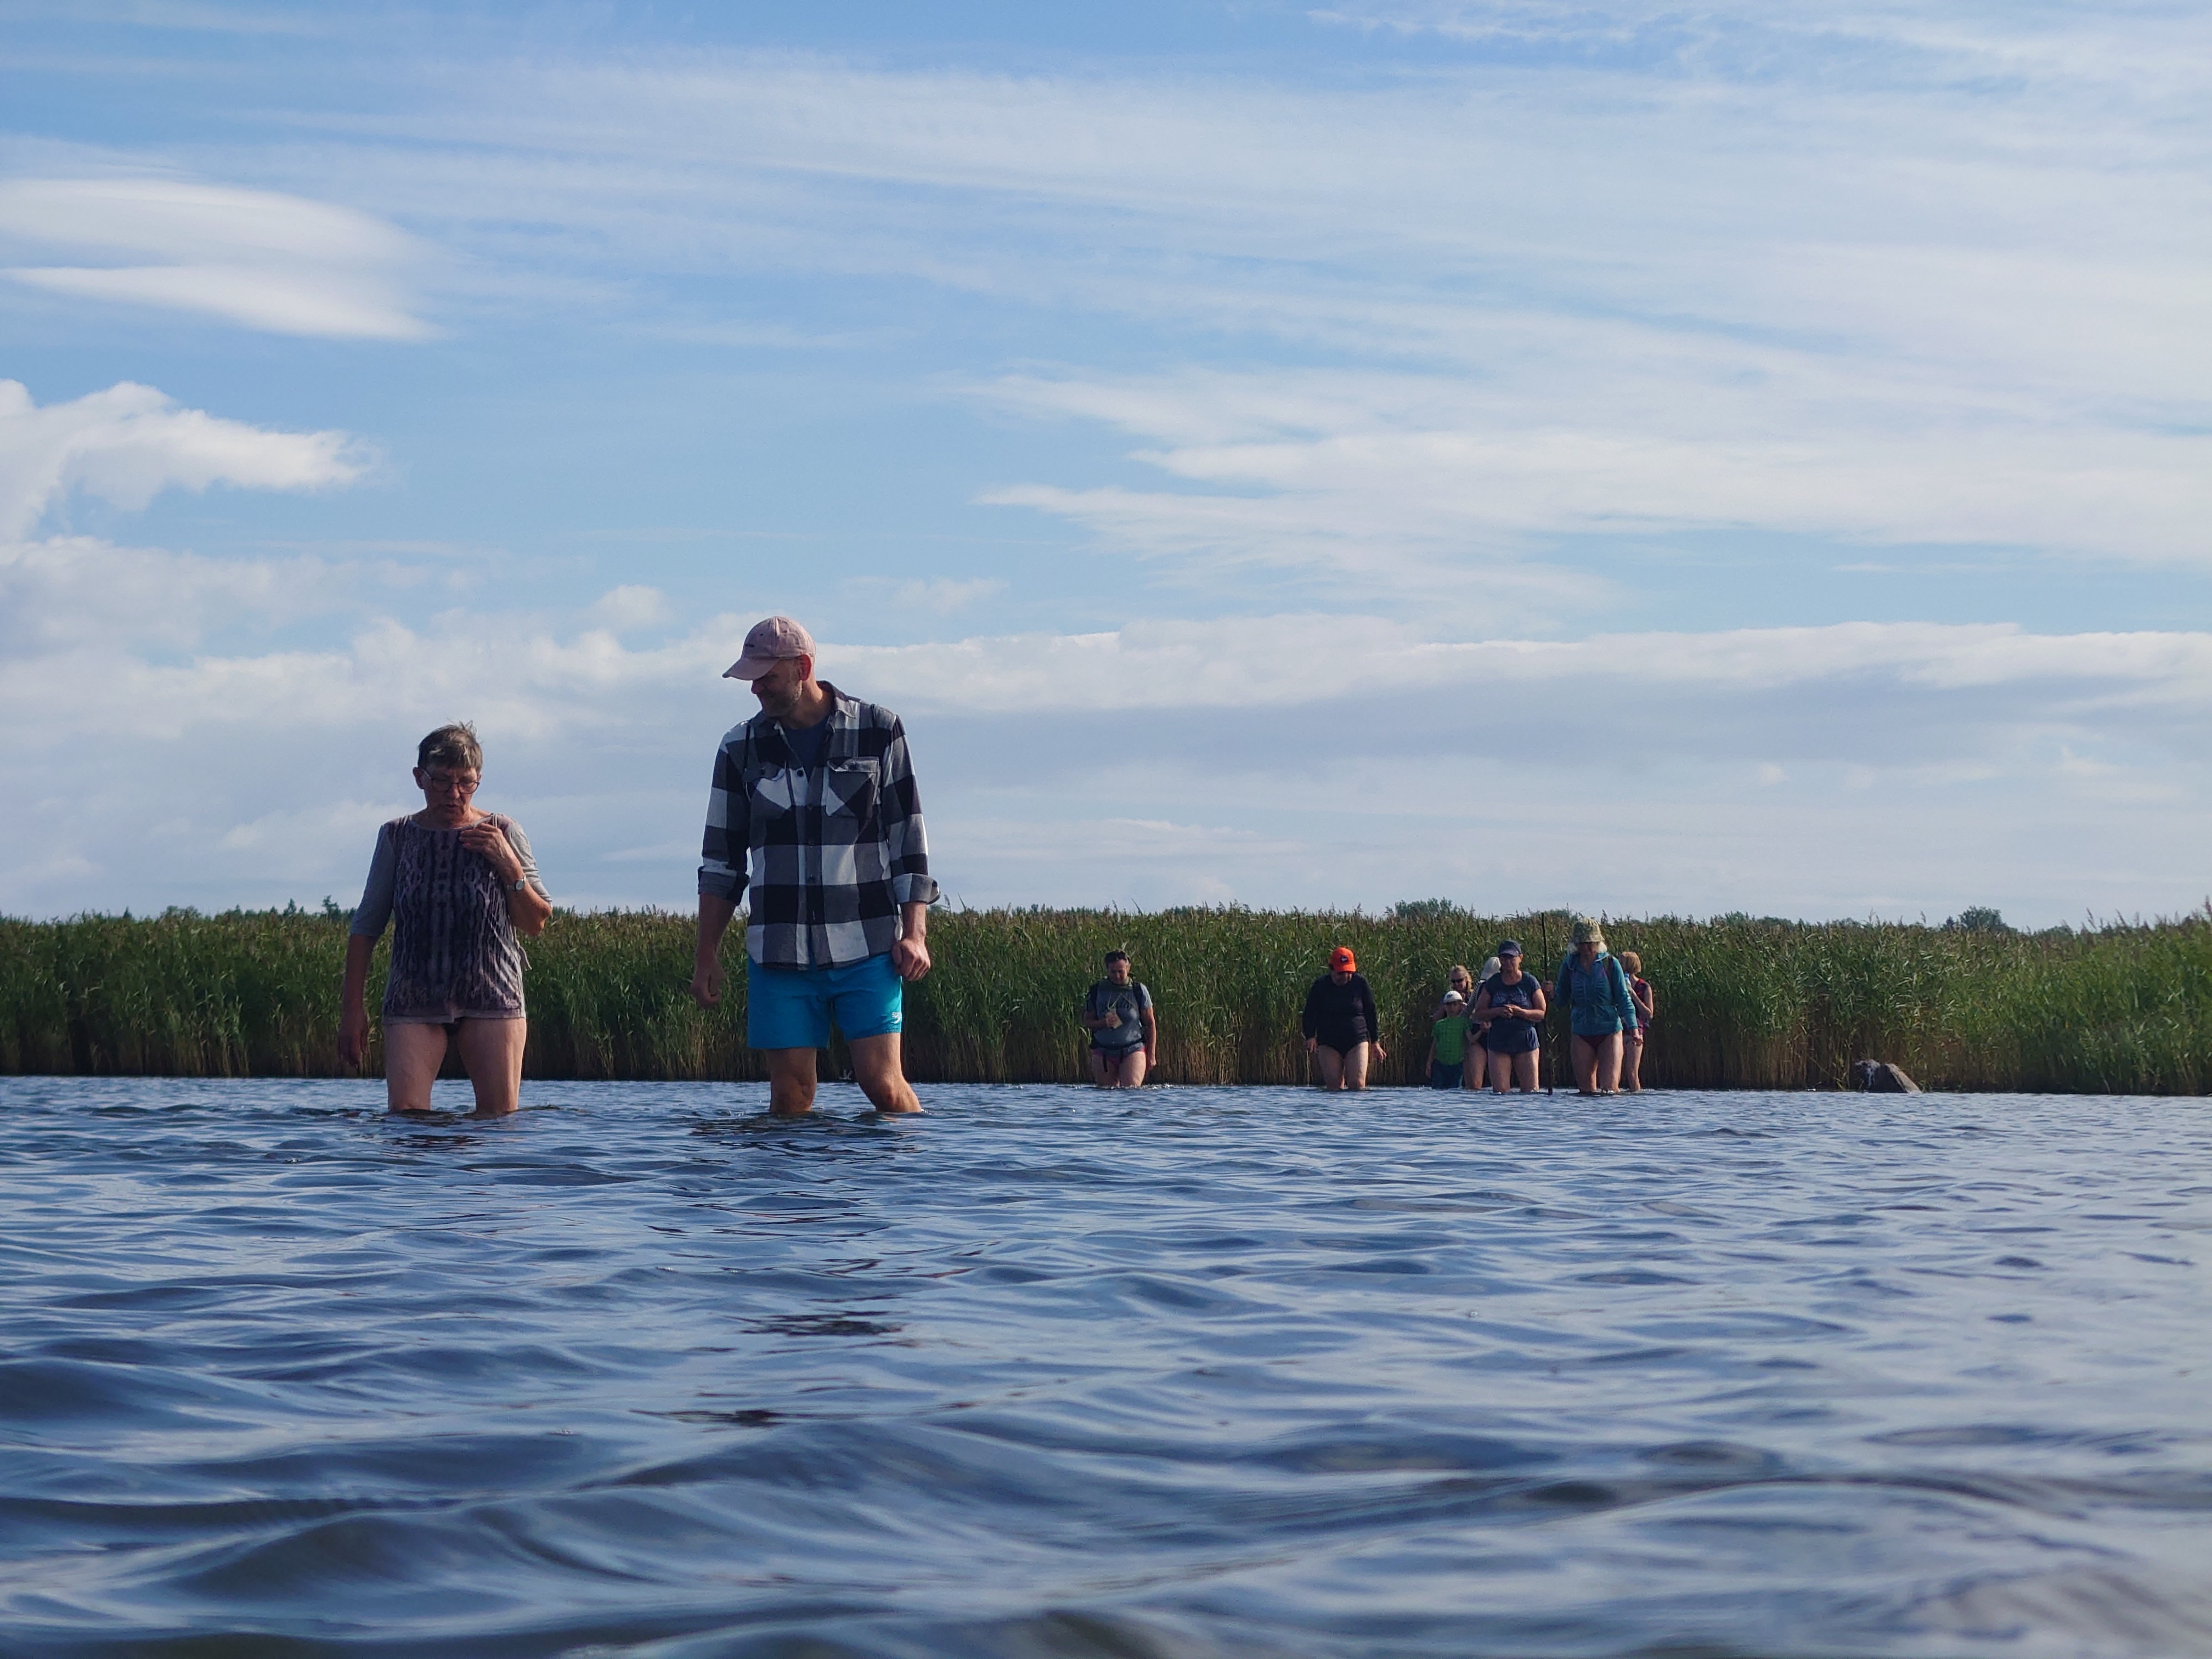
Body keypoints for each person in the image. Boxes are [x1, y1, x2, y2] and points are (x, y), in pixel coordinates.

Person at [691, 616, 938, 1116]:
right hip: (778, 951)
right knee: (791, 1095)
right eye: (751, 679)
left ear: (803, 668)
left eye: (767, 677)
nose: (756, 688)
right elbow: (721, 862)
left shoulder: (879, 730)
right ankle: (791, 1197)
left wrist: (915, 934)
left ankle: (913, 1188)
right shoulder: (739, 748)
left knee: (884, 1086)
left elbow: (908, 841)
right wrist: (706, 955)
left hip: (867, 944)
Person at [340, 723, 554, 1115]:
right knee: (407, 1117)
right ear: (420, 778)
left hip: (492, 995)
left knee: (498, 1122)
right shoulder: (397, 837)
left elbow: (536, 922)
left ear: (478, 781)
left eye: (465, 783)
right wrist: (352, 1011)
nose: (453, 794)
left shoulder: (503, 831)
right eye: (441, 782)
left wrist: (509, 866)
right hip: (414, 995)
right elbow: (366, 926)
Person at [1554, 917, 1639, 1095]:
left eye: (1590, 943)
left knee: (1609, 1090)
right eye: (1582, 943)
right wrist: (1550, 993)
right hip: (1581, 1030)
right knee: (1586, 1092)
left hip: (1609, 1029)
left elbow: (1624, 999)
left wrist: (1634, 1028)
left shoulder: (1610, 964)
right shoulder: (1570, 965)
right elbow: (1561, 1000)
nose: (1586, 948)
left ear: (1598, 942)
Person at [1301, 945, 1386, 1090]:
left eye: (1349, 972)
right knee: (1334, 1087)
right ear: (1332, 969)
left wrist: (1375, 1042)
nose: (1345, 977)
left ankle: (1356, 1112)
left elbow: (1371, 1012)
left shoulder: (1360, 984)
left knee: (1358, 1085)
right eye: (1341, 973)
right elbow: (1310, 1012)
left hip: (1357, 1040)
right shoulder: (1321, 985)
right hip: (1328, 1042)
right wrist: (1310, 1036)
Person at [1471, 940, 1544, 1092]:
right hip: (1499, 1041)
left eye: (1512, 958)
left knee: (1531, 1091)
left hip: (1525, 1040)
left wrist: (1519, 1012)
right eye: (1504, 959)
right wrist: (1498, 1011)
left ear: (1520, 958)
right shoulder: (1493, 984)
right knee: (1501, 1093)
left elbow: (1541, 1013)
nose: (1508, 962)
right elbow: (1479, 1013)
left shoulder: (1529, 982)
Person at [1082, 949, 1156, 1087]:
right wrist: (1102, 1023)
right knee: (1106, 1095)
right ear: (1107, 970)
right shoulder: (1097, 991)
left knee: (1131, 1090)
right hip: (1103, 1051)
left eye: (1121, 971)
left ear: (1128, 968)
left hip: (1133, 1049)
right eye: (1113, 972)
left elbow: (1150, 1023)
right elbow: (1087, 1021)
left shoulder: (1138, 991)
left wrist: (1151, 1055)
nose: (1117, 976)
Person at [1620, 950, 1655, 1092]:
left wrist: (1632, 994)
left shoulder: (1644, 987)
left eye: (1622, 963)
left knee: (1632, 1072)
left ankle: (1636, 1100)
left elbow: (1649, 1014)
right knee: (1614, 1071)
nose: (1619, 965)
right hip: (1618, 1031)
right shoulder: (1617, 985)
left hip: (1636, 1032)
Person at [1424, 990, 1469, 1090]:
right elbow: (1434, 1046)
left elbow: (1471, 1039)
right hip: (1440, 1064)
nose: (1452, 1008)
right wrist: (1429, 1064)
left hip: (1457, 1064)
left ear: (1460, 1006)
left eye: (1455, 1004)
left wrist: (1482, 1031)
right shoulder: (1439, 1024)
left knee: (1455, 1090)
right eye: (1449, 1005)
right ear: (1444, 1006)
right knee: (1437, 1089)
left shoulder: (1464, 1023)